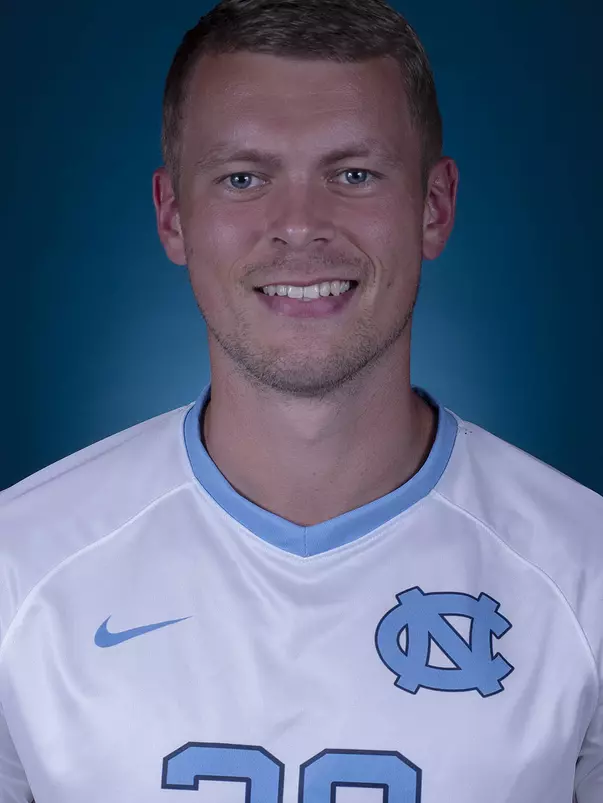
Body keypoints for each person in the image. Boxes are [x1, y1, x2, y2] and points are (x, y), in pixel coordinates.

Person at [0, 0, 602, 800]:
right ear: (173, 217)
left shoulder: (584, 573)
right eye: (243, 178)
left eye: (353, 175)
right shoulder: (20, 569)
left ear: (433, 207)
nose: (298, 225)